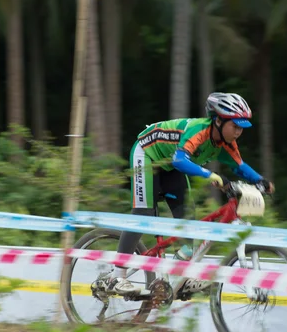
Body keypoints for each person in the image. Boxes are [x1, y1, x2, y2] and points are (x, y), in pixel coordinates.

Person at [106, 92, 274, 295]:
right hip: (147, 154)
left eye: (242, 127)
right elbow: (180, 161)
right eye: (235, 126)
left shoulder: (226, 143)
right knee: (144, 215)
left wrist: (260, 181)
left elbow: (239, 166)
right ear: (218, 121)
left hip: (170, 167)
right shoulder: (199, 130)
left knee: (189, 222)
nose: (238, 132)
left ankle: (181, 274)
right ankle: (116, 276)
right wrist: (213, 176)